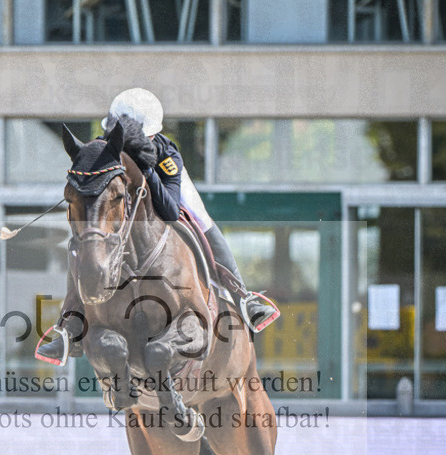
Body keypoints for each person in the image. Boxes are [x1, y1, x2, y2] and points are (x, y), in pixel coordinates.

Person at [36, 88, 280, 366]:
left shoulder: (166, 154)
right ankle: (71, 325)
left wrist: (147, 171)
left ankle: (242, 296)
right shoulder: (104, 149)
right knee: (83, 244)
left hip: (164, 193)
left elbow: (170, 210)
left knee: (201, 219)